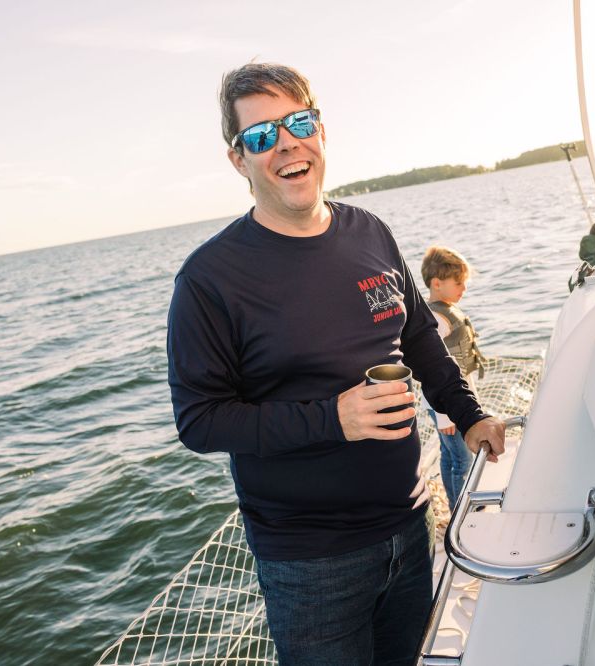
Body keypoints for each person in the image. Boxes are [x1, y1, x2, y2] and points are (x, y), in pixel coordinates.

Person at [165, 62, 506, 666]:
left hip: (408, 522)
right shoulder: (209, 279)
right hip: (310, 563)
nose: (287, 144)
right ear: (238, 159)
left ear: (321, 131)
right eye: (262, 135)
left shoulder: (370, 230)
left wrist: (469, 413)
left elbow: (421, 337)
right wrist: (333, 419)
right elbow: (201, 421)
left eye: (299, 123)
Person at [419, 246, 487, 511]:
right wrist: (445, 415)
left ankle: (455, 501)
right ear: (437, 284)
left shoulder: (445, 309)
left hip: (451, 403)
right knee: (462, 459)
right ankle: (464, 509)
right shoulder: (437, 317)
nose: (464, 289)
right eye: (458, 283)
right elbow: (429, 368)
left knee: (449, 455)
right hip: (445, 407)